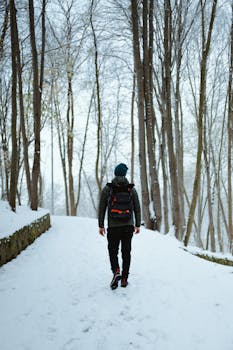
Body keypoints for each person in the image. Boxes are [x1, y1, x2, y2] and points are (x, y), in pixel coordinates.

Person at [98, 163, 141, 289]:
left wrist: (101, 225)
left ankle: (116, 270)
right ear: (125, 174)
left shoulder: (108, 189)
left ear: (115, 173)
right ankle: (124, 279)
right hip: (128, 226)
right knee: (126, 252)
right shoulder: (131, 189)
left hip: (113, 226)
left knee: (113, 250)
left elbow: (102, 208)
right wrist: (137, 224)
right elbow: (137, 208)